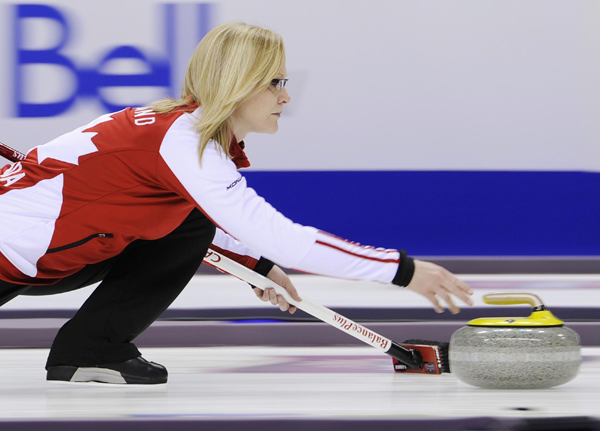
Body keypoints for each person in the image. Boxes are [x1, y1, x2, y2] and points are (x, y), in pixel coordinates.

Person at [0, 22, 473, 385]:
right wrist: (403, 270)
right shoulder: (183, 143)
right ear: (236, 82)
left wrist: (258, 265)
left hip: (48, 257)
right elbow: (286, 239)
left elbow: (220, 227)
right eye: (273, 83)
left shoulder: (178, 132)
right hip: (12, 257)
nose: (286, 97)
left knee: (191, 223)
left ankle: (91, 350)